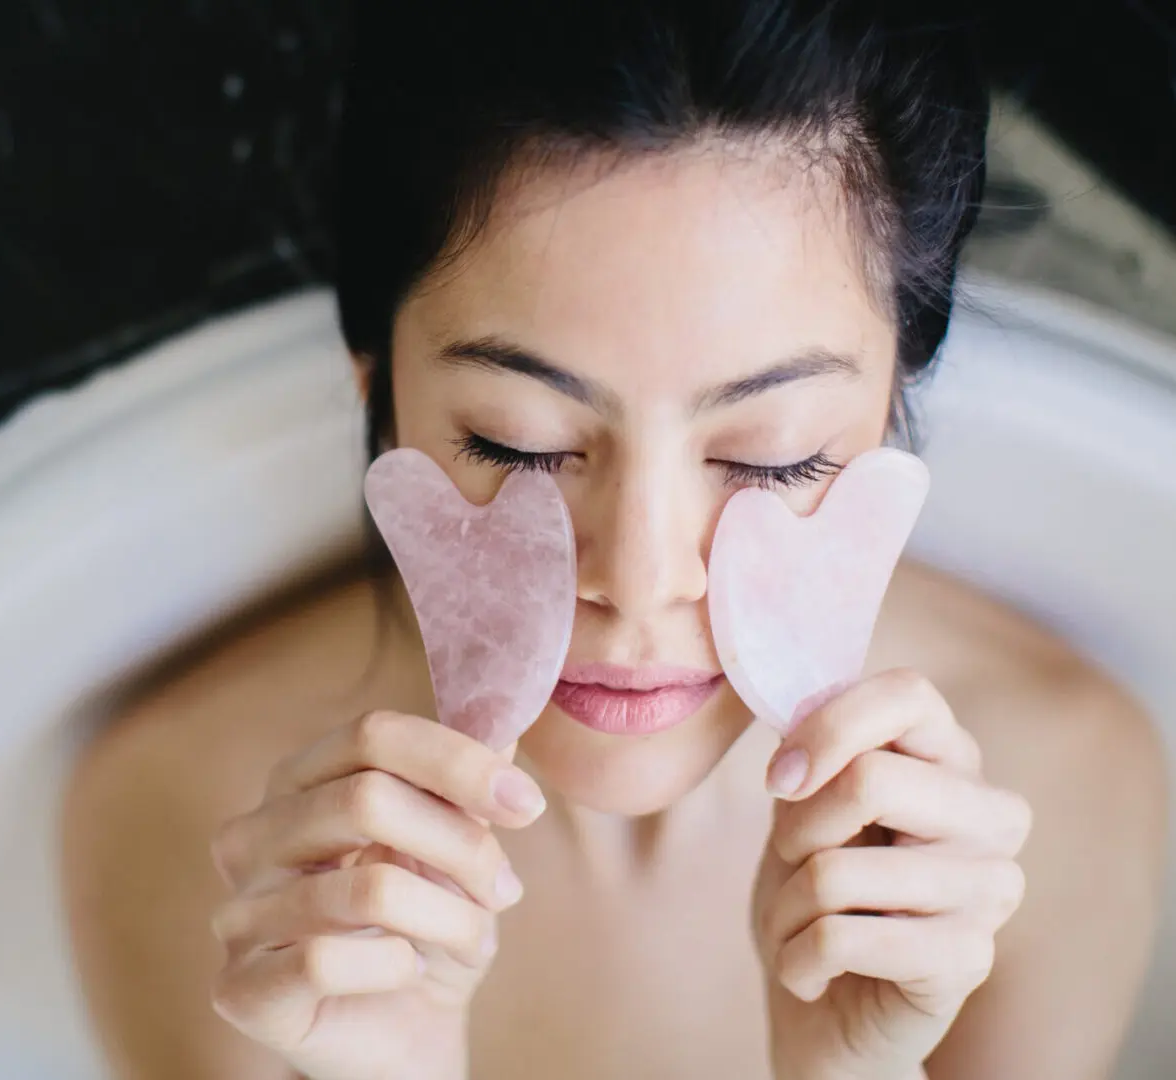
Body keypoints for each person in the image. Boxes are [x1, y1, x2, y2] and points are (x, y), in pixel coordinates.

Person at [59, 2, 1168, 1077]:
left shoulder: (1064, 788)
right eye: (519, 444)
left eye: (772, 458)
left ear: (888, 413)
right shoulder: (195, 830)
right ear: (379, 391)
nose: (638, 585)